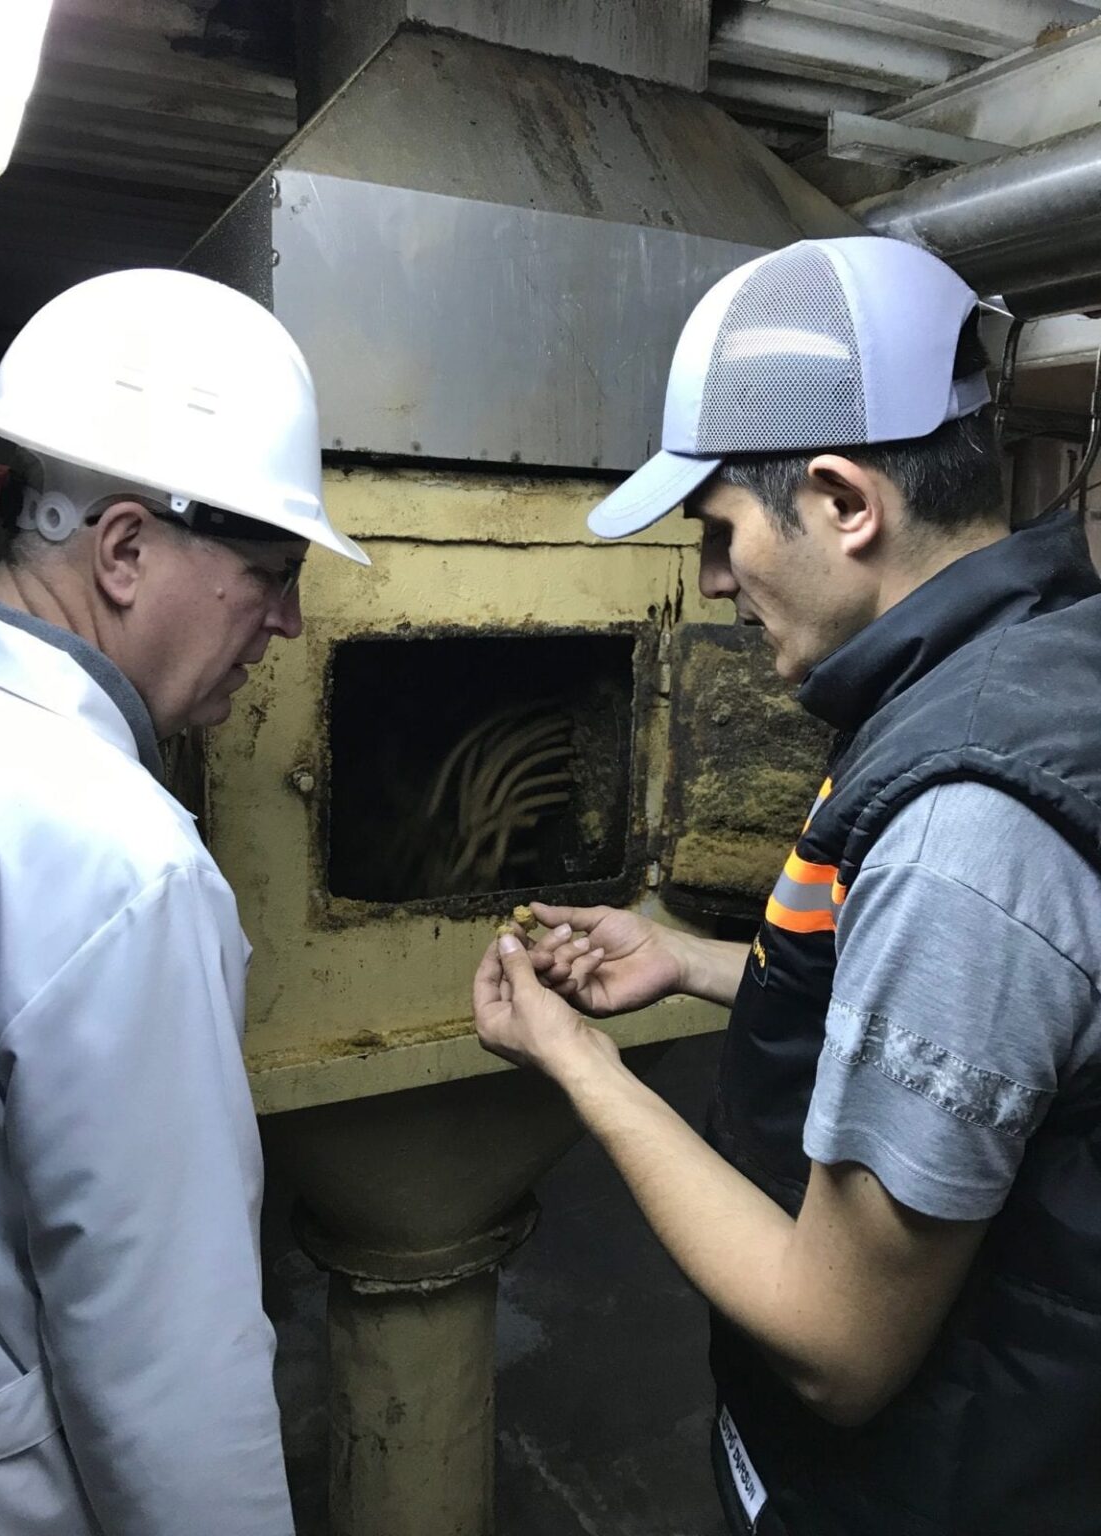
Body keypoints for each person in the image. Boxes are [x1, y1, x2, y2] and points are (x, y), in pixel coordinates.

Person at [473, 236, 1101, 1535]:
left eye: (720, 531)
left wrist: (581, 1062)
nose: (712, 581)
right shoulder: (1016, 664)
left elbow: (836, 1342)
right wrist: (692, 960)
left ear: (844, 502)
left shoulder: (963, 828)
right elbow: (982, 1011)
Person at [0, 268, 368, 1535]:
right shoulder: (121, 863)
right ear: (126, 549)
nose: (289, 621)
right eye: (273, 569)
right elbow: (175, 1388)